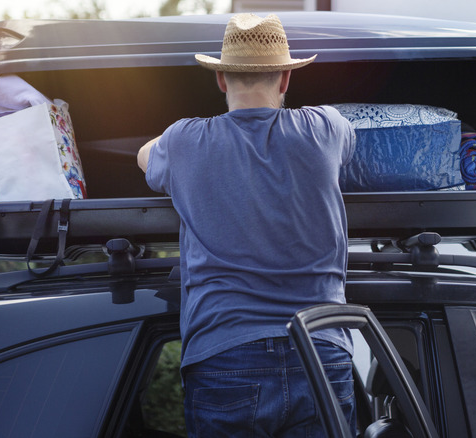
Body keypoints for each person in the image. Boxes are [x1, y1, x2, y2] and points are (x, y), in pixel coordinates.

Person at [137, 13, 356, 437]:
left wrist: (167, 146)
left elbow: (146, 156)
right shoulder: (325, 129)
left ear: (220, 79)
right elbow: (351, 141)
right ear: (287, 78)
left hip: (224, 358)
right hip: (321, 350)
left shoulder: (185, 142)